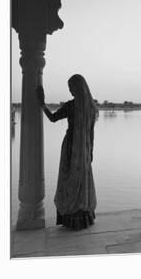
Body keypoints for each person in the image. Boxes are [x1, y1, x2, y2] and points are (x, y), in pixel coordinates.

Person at [36, 75, 97, 230]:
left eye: (71, 87)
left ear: (77, 87)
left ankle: (71, 218)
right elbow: (91, 133)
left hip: (71, 148)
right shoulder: (91, 107)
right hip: (84, 150)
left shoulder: (71, 106)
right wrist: (90, 152)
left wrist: (42, 104)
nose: (70, 90)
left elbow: (53, 118)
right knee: (82, 182)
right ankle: (84, 218)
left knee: (69, 181)